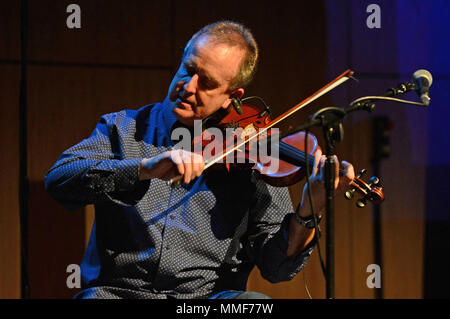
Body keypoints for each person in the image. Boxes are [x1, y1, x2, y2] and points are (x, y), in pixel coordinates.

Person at [45, 21, 354, 299]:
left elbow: (277, 268)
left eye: (206, 83)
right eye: (187, 70)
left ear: (233, 94)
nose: (188, 88)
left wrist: (309, 208)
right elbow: (59, 180)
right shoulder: (123, 128)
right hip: (118, 294)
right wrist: (143, 169)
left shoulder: (251, 149)